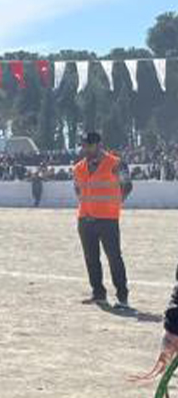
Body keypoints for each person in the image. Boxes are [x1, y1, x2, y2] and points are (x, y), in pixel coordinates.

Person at [73, 131, 131, 309]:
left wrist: (115, 204)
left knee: (114, 258)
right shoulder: (78, 167)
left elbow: (127, 186)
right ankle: (98, 293)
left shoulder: (116, 163)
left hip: (108, 219)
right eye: (83, 145)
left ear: (99, 145)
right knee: (91, 258)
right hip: (85, 219)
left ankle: (122, 298)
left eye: (88, 146)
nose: (85, 149)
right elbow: (77, 189)